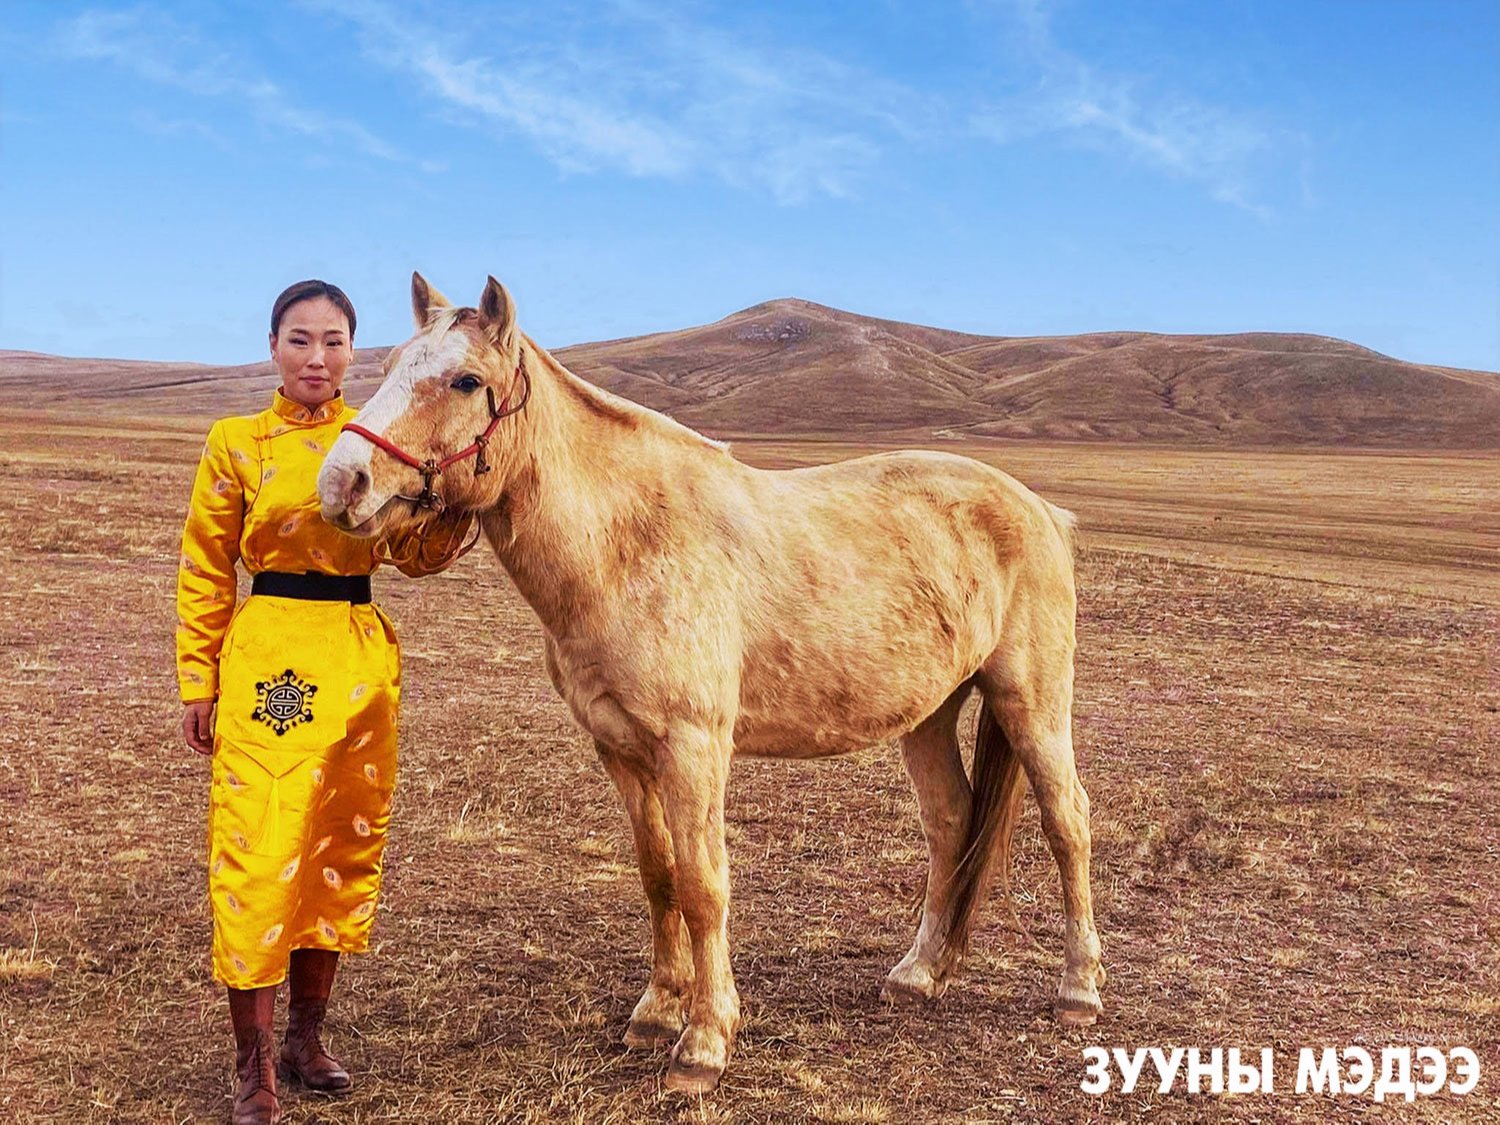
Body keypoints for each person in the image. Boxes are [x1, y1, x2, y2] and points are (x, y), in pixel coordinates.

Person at [176, 280, 436, 1124]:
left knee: (336, 850)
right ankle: (253, 1068)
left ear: (353, 351)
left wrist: (452, 501)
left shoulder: (379, 439)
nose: (316, 357)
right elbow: (208, 565)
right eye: (299, 339)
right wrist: (198, 677)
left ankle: (306, 1039)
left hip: (357, 663)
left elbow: (416, 557)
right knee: (258, 856)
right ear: (273, 345)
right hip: (265, 665)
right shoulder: (235, 441)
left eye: (332, 341)